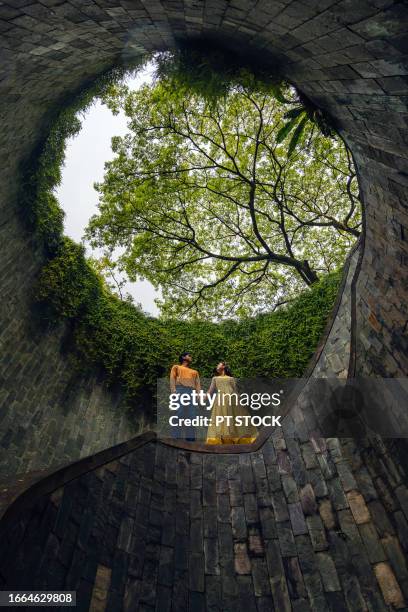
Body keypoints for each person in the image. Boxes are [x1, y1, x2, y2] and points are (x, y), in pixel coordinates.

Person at [206, 361, 258, 444]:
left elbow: (235, 391)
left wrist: (240, 401)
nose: (217, 366)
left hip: (232, 398)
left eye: (218, 364)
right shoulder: (215, 378)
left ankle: (236, 437)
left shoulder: (231, 379)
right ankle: (222, 439)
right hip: (221, 399)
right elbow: (210, 390)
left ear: (224, 366)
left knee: (233, 416)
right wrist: (203, 398)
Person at [169, 351, 201, 441]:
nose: (191, 357)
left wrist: (198, 396)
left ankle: (190, 441)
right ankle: (175, 440)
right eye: (189, 355)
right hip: (180, 391)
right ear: (183, 357)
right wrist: (173, 392)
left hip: (191, 393)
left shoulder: (195, 372)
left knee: (191, 417)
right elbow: (172, 379)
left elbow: (198, 385)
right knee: (178, 415)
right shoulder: (176, 367)